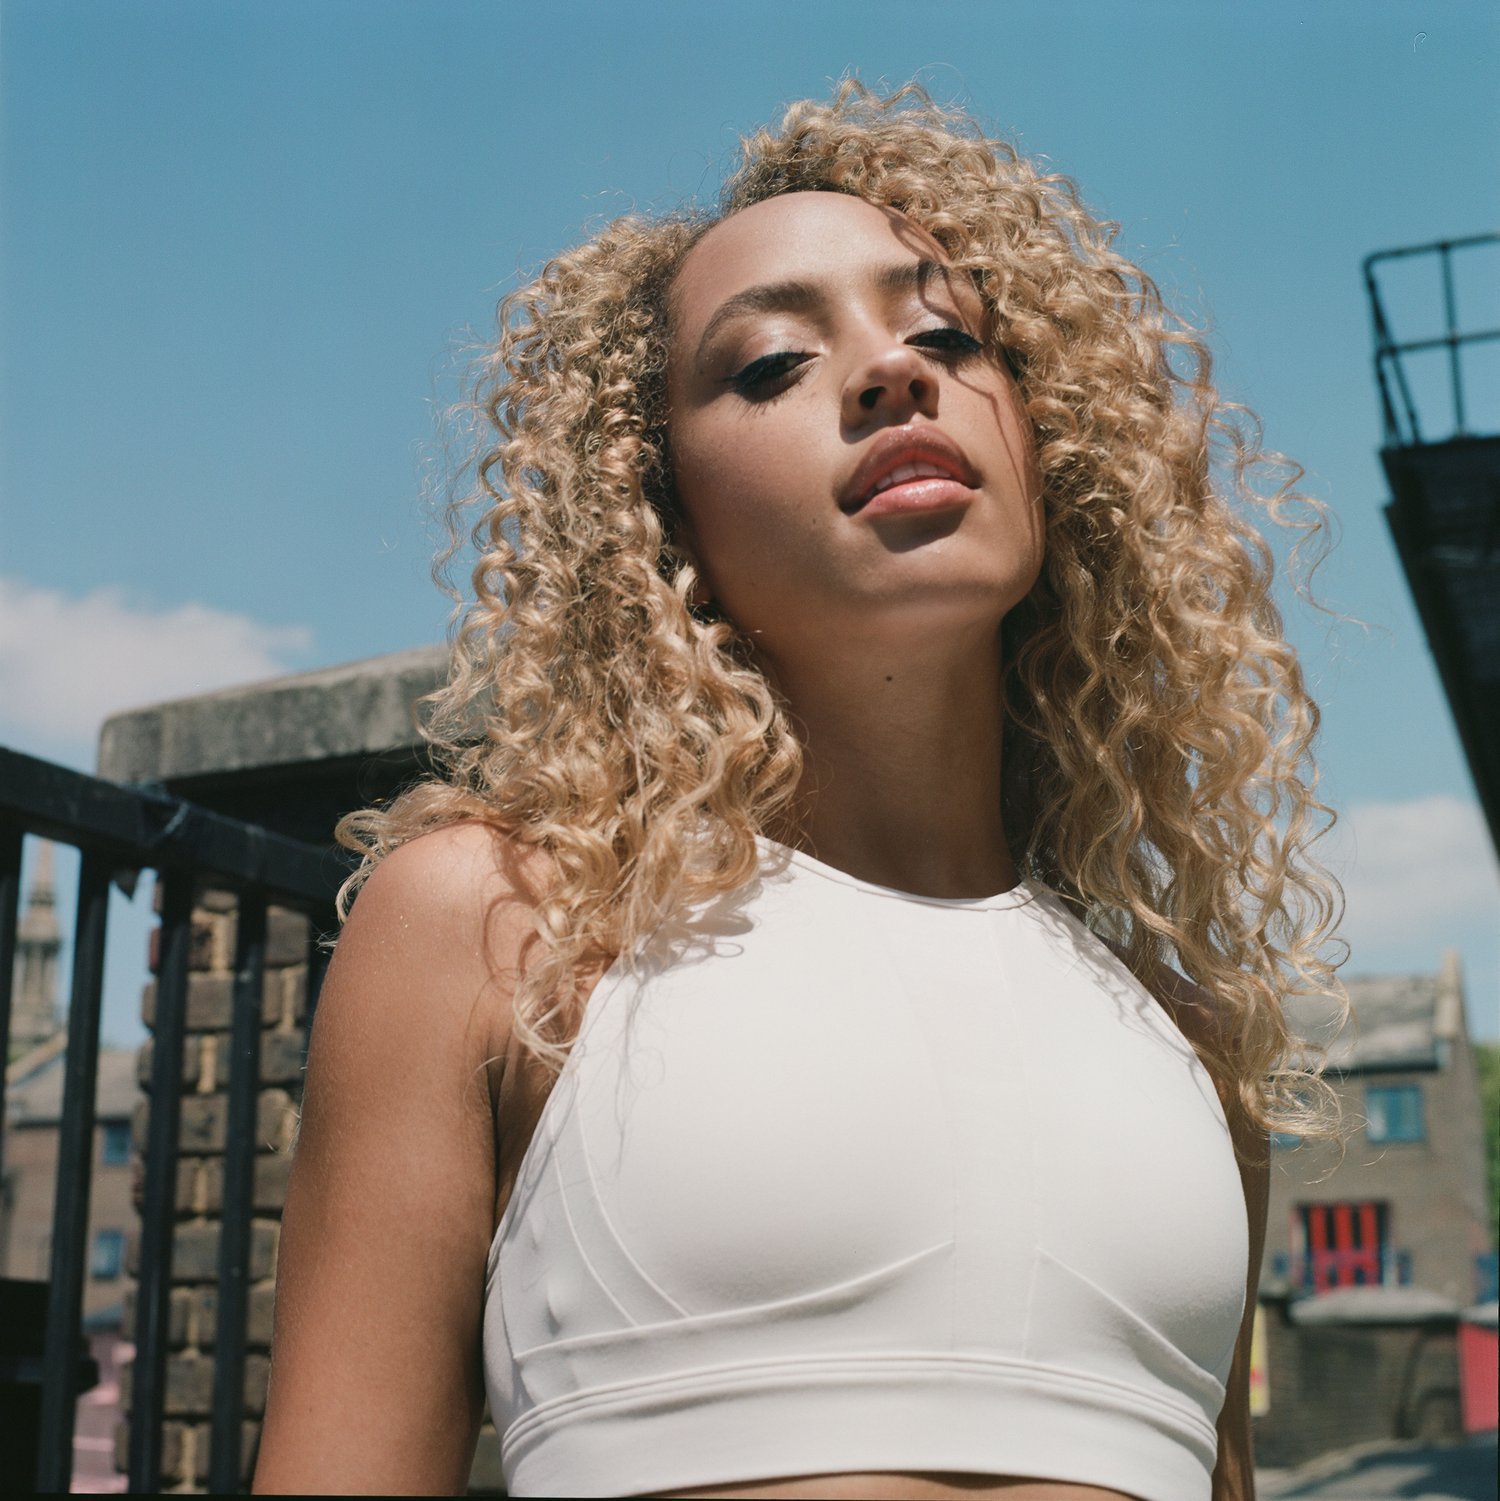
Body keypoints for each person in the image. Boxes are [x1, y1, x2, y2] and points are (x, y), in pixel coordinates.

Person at [252, 82, 1350, 1500]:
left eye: (949, 334)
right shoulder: (505, 928)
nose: (896, 372)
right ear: (660, 511)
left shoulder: (1188, 1042)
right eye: (770, 362)